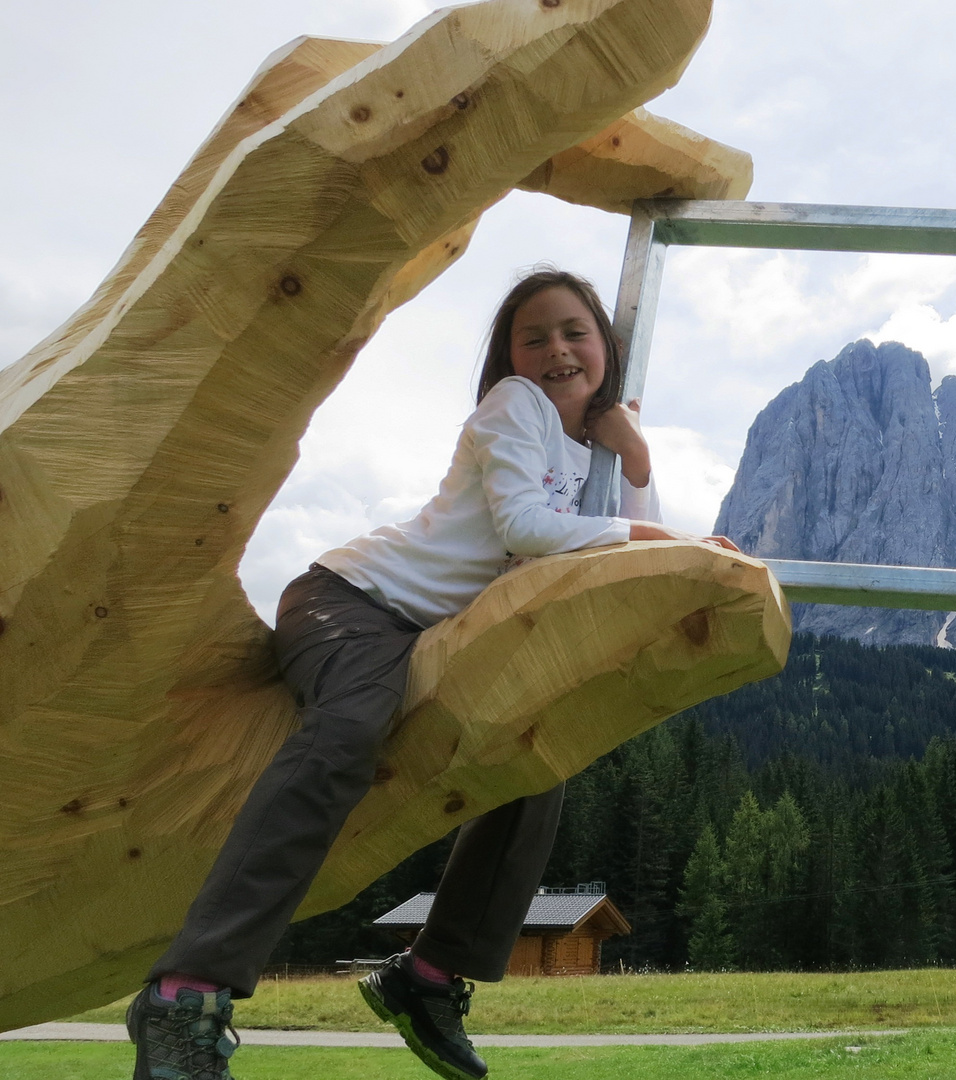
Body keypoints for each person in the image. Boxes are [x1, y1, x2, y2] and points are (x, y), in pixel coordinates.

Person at [126, 268, 739, 1080]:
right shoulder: (512, 408)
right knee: (350, 729)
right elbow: (530, 526)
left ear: (606, 348)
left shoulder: (592, 455)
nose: (556, 348)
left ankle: (427, 979)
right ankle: (184, 994)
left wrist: (633, 455)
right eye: (535, 336)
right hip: (352, 600)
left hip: (435, 635)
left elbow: (615, 554)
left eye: (575, 332)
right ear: (510, 359)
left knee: (538, 757)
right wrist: (662, 536)